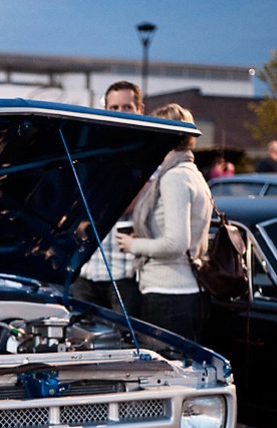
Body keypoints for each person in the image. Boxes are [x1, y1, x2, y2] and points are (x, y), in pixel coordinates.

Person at [116, 103, 213, 341]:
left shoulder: (174, 178)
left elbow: (176, 243)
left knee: (166, 372)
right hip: (185, 291)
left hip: (168, 293)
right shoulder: (192, 173)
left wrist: (133, 245)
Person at [71, 81, 144, 315]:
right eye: (113, 108)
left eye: (127, 107)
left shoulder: (149, 151)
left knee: (124, 344)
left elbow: (126, 203)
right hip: (87, 269)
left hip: (123, 273)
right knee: (81, 341)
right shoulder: (93, 150)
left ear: (140, 109)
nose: (120, 114)